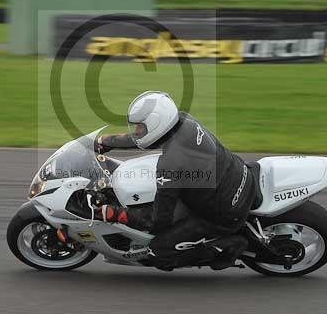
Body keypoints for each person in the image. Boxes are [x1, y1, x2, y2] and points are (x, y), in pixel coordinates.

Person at [95, 91, 259, 271]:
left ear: (157, 123)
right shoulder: (184, 121)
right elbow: (147, 139)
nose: (137, 131)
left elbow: (159, 221)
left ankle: (229, 245)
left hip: (224, 214)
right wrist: (107, 142)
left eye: (141, 127)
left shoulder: (171, 164)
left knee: (158, 252)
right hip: (238, 174)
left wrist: (117, 214)